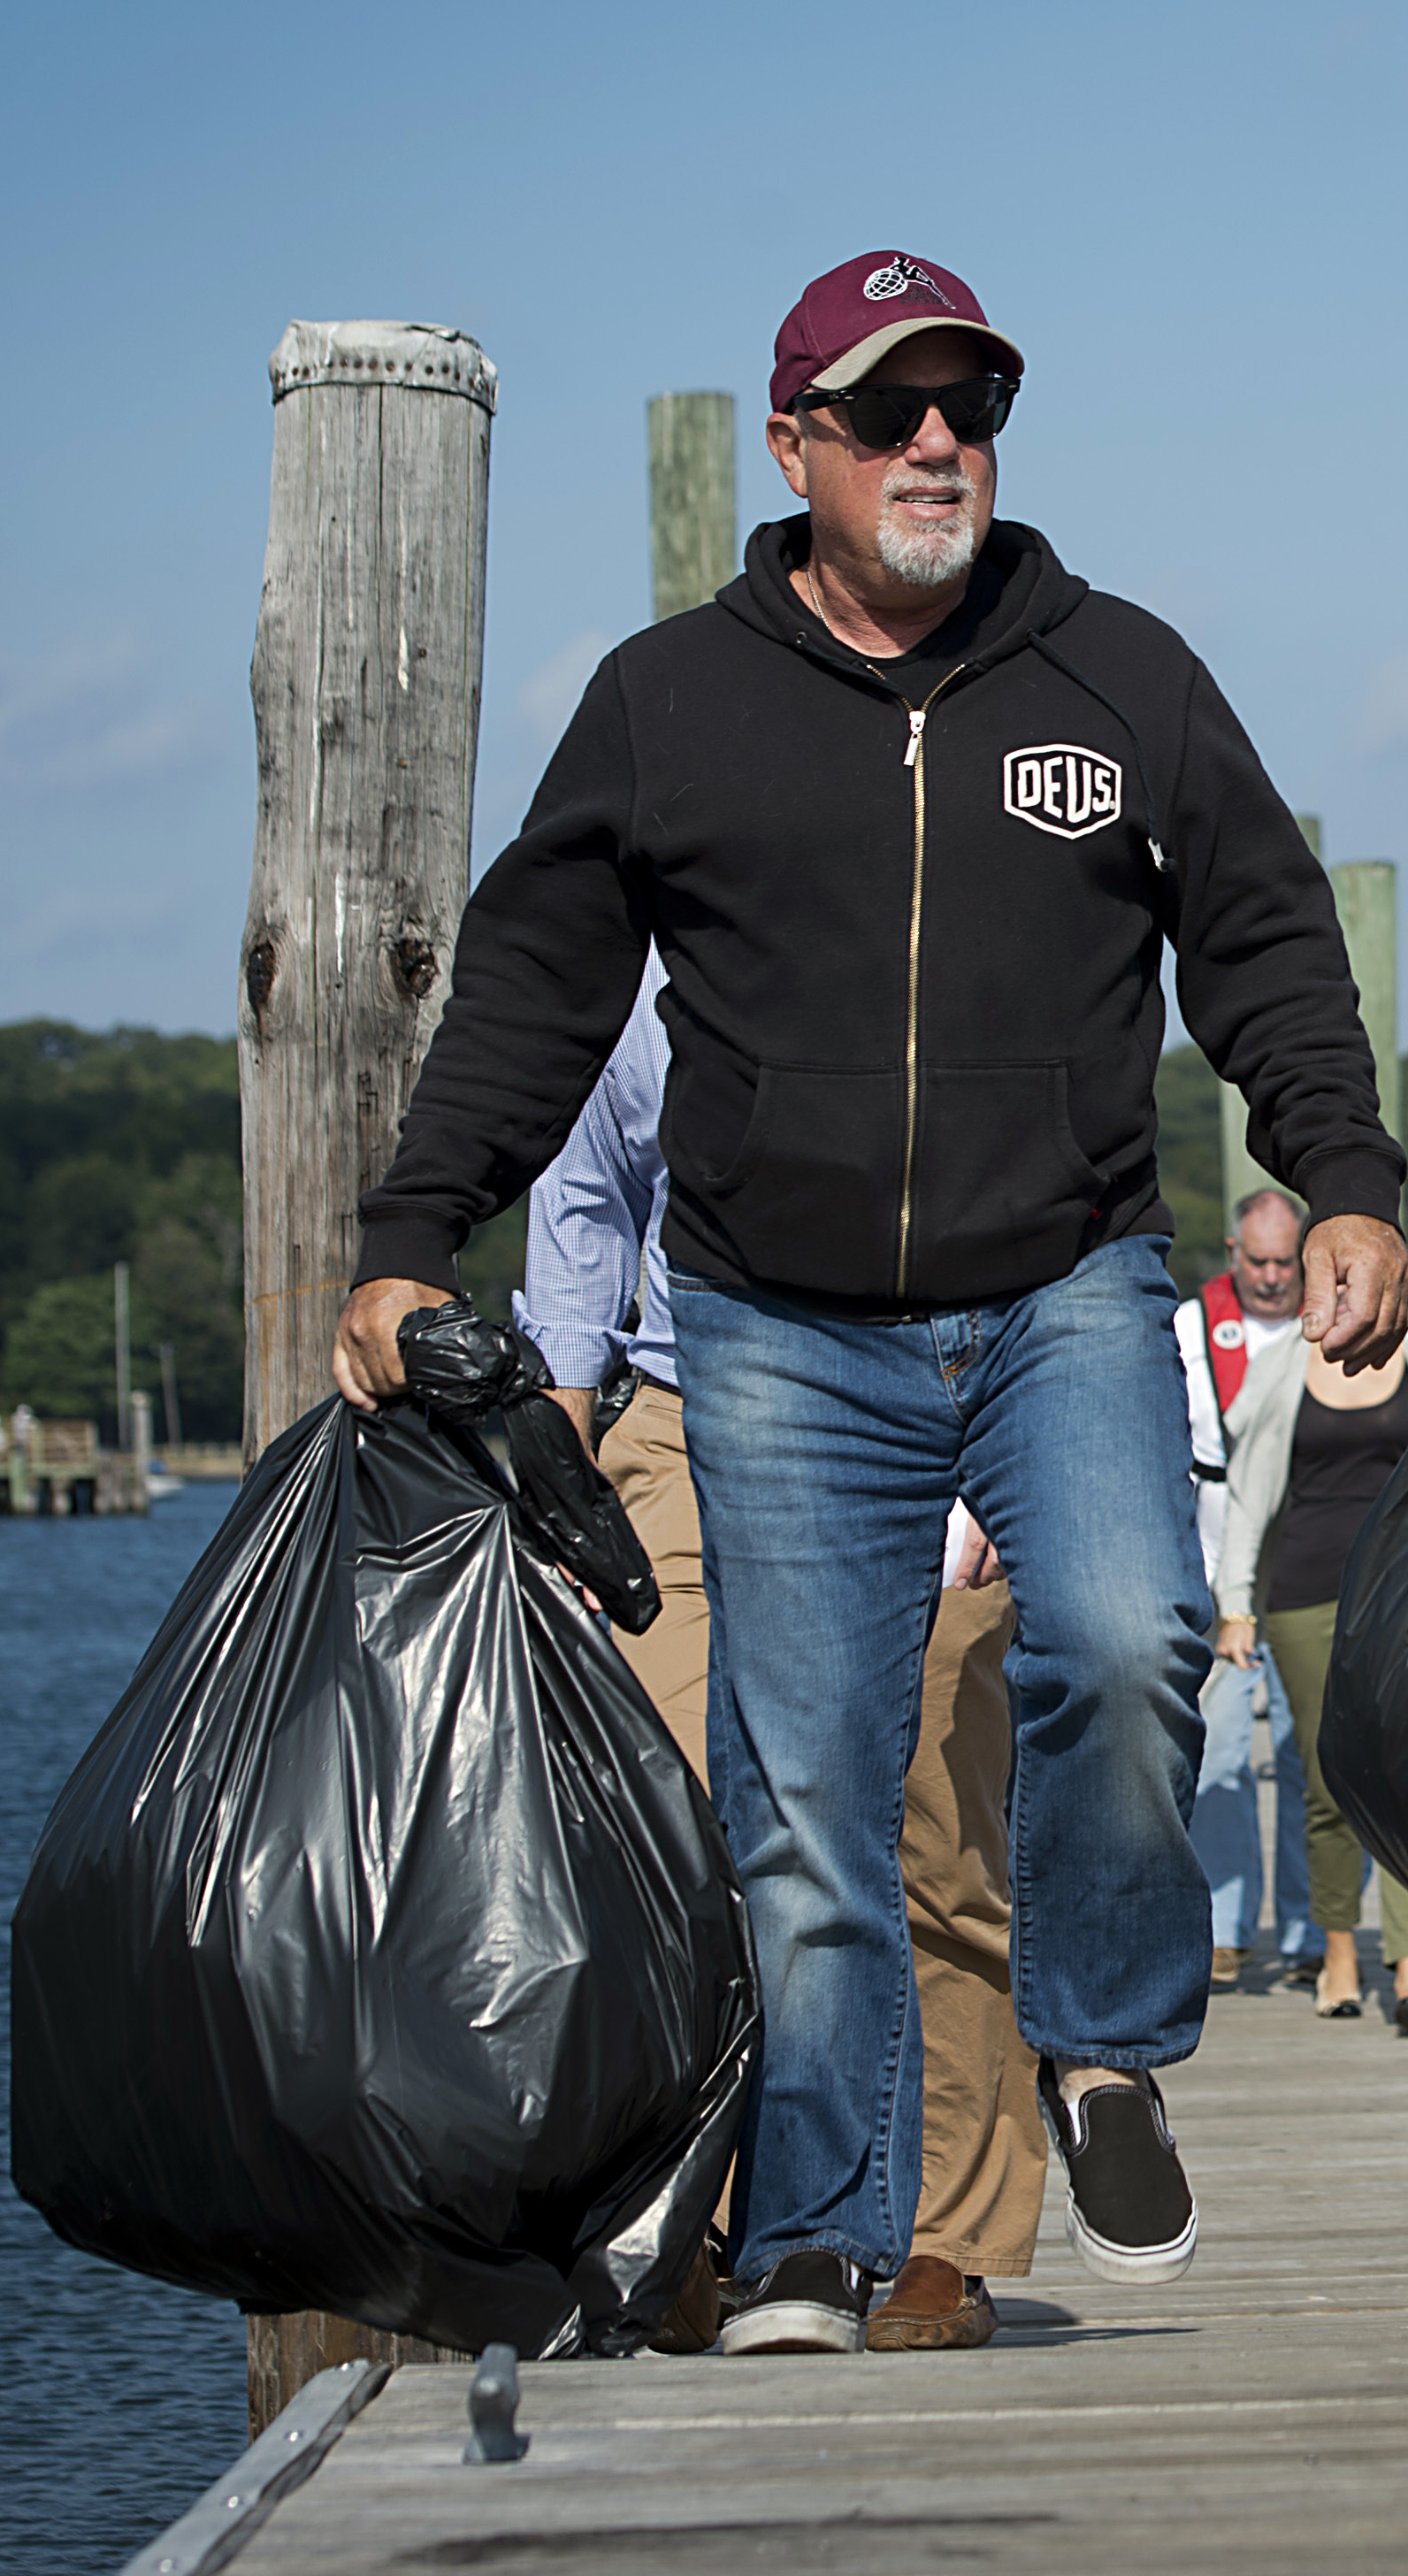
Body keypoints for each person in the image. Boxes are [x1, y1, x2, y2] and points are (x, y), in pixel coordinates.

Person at [333, 246, 1408, 2358]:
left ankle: (1102, 2045)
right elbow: (534, 991)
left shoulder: (1122, 675)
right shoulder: (669, 700)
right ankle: (820, 2229)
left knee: (1127, 1638)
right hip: (780, 1322)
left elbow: (1270, 942)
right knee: (807, 1782)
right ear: (795, 443)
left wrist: (1347, 1175)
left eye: (971, 406)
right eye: (891, 407)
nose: (938, 441)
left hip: (1064, 1281)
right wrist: (412, 1230)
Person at [515, 979, 1053, 2351]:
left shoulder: (957, 913)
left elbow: (1053, 1168)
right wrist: (561, 1448)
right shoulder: (633, 953)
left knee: (929, 1842)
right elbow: (585, 1198)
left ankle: (944, 2236)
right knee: (688, 1840)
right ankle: (714, 2221)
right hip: (683, 1418)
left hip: (933, 1407)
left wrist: (1010, 1438)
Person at [1212, 1289, 1408, 2032]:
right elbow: (1248, 1493)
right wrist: (1236, 1606)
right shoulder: (1282, 1364)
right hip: (1305, 1594)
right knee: (1326, 1785)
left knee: (1404, 1778)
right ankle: (1339, 1955)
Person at [1175, 1191, 1320, 1990]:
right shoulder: (1188, 1329)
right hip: (1214, 1565)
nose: (1271, 1277)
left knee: (1311, 1751)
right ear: (1233, 1253)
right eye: (1258, 1261)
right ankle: (1224, 1928)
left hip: (1302, 1562)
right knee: (1219, 1752)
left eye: (1284, 1263)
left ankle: (1312, 1929)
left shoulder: (1331, 1322)